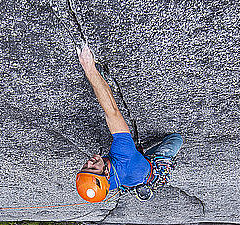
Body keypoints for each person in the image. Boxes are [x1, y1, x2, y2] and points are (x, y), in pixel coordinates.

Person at [75, 44, 183, 203]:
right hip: (151, 169)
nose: (89, 162)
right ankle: (144, 182)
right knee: (176, 139)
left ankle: (138, 183)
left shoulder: (106, 184)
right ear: (105, 174)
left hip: (131, 173)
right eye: (93, 168)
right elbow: (112, 111)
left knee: (132, 170)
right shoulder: (123, 155)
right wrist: (89, 68)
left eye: (85, 167)